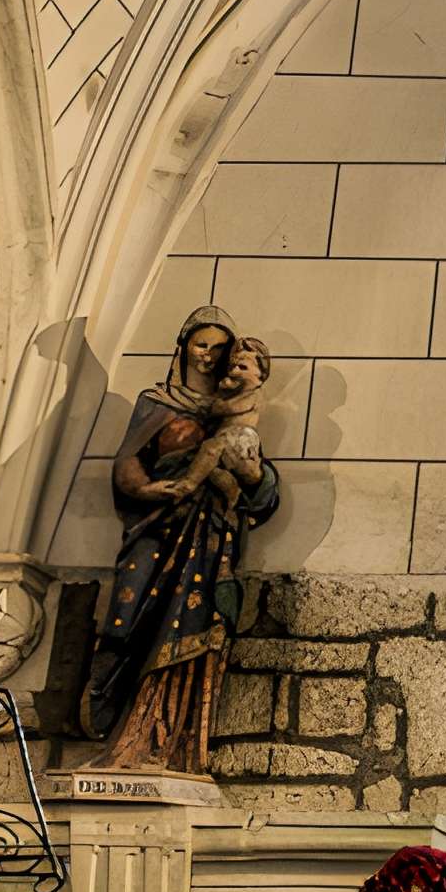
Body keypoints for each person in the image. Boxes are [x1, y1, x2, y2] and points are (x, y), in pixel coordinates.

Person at [83, 309, 281, 769]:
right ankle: (118, 729)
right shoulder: (157, 402)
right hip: (155, 525)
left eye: (219, 348)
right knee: (131, 619)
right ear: (183, 346)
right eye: (202, 345)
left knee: (191, 630)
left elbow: (261, 489)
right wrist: (148, 488)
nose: (210, 357)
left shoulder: (236, 409)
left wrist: (252, 476)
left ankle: (170, 743)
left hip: (209, 539)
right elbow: (128, 462)